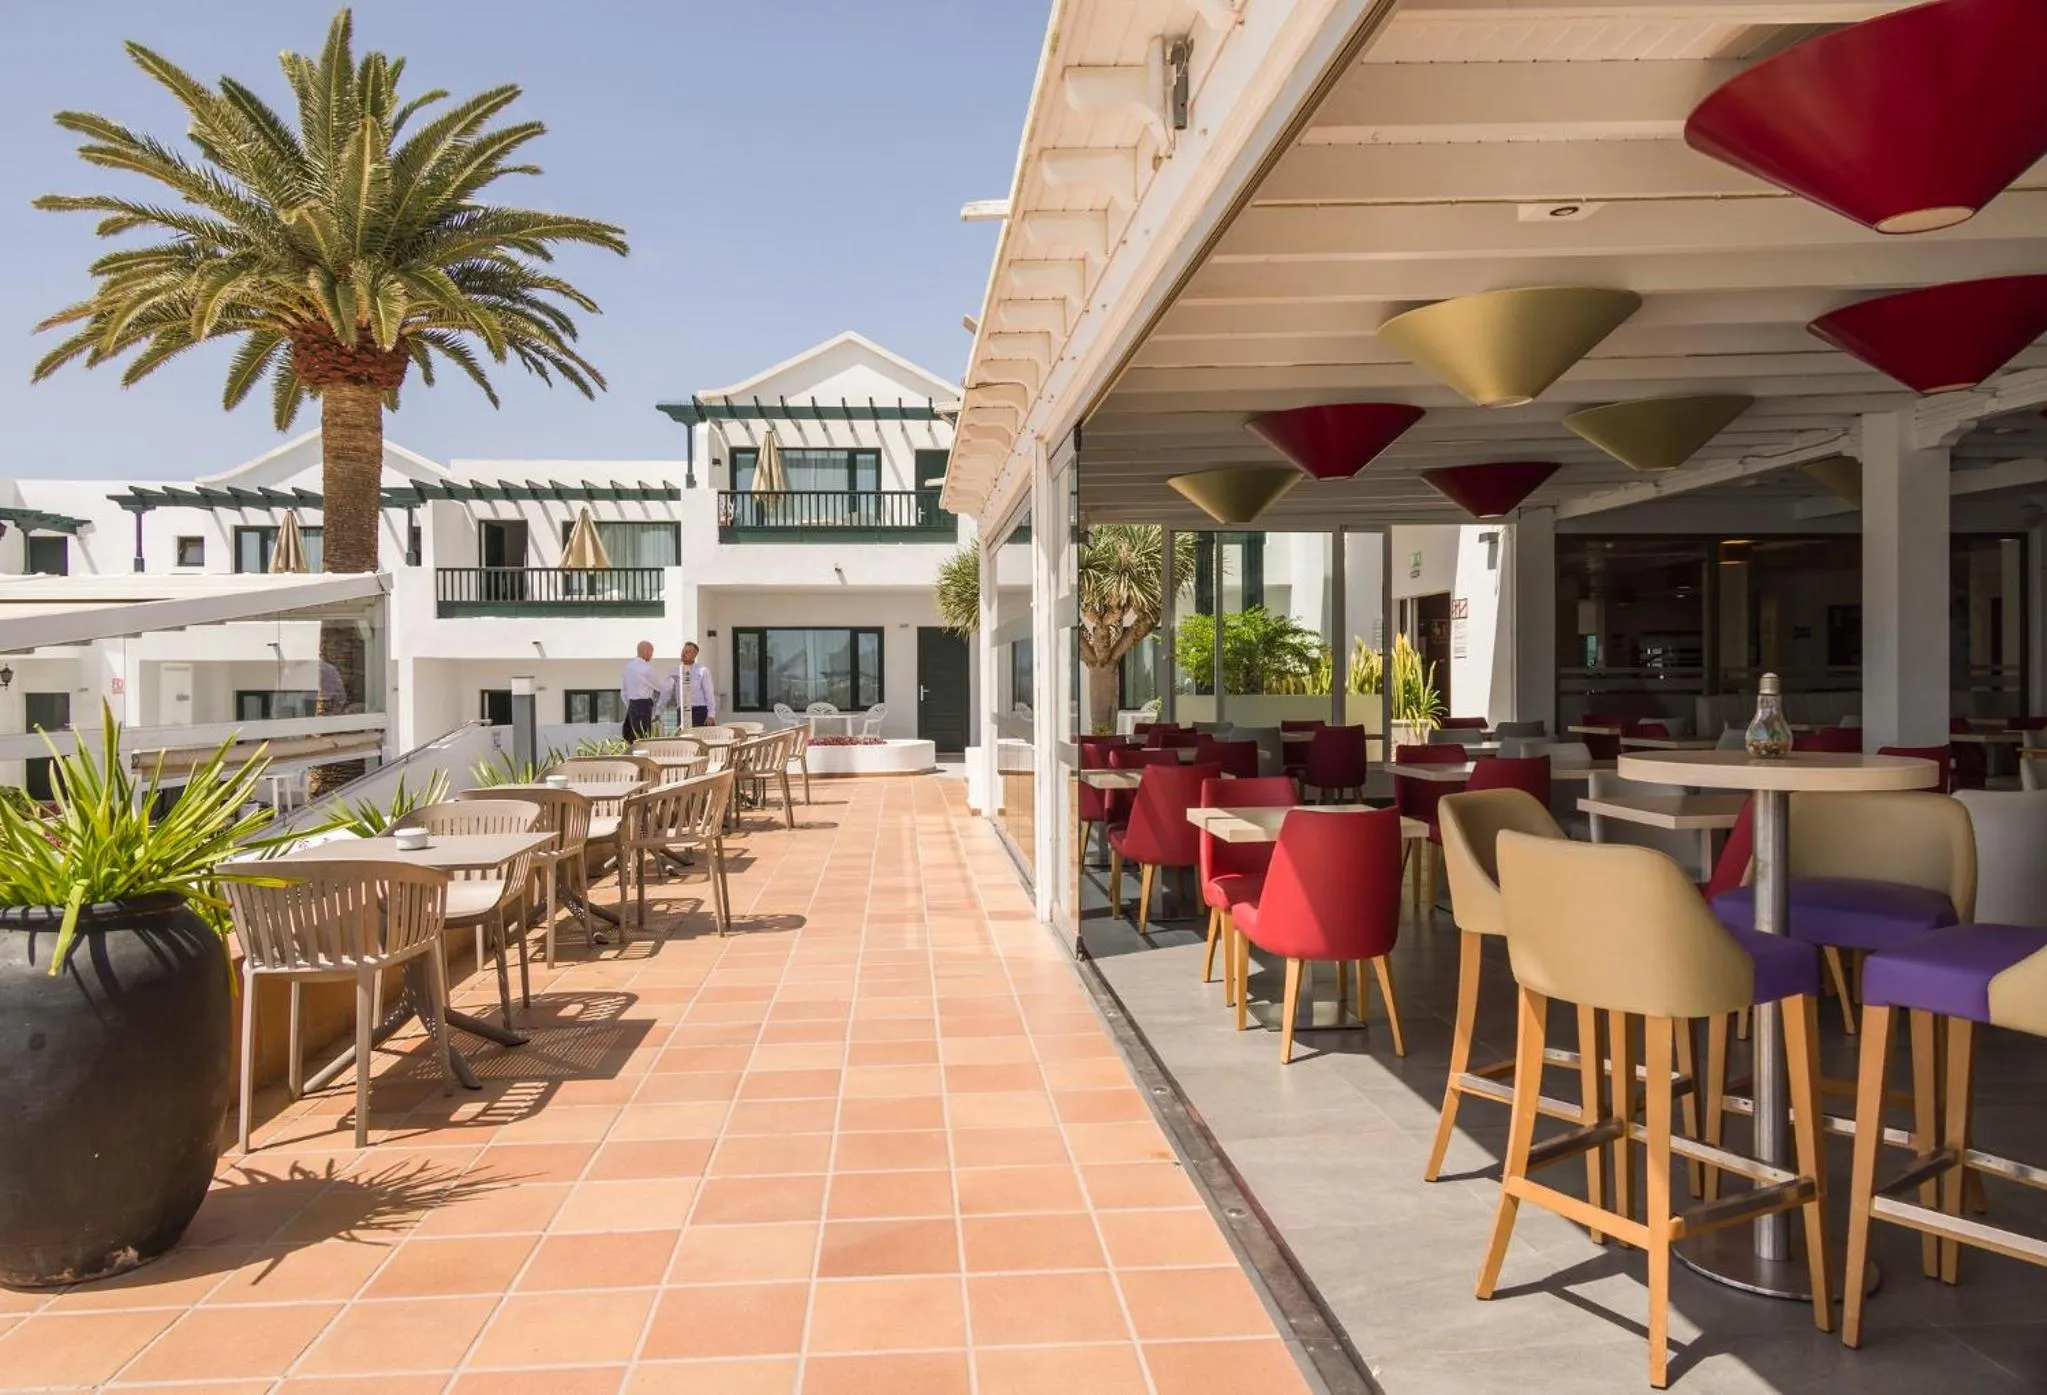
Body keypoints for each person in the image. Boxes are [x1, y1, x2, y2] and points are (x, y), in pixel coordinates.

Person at [621, 639, 664, 742]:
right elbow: (660, 686)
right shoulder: (646, 668)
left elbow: (624, 692)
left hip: (632, 705)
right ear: (646, 651)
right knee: (642, 737)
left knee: (630, 736)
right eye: (651, 652)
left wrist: (630, 705)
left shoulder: (628, 667)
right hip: (643, 705)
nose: (652, 655)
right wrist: (672, 681)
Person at [675, 641, 716, 729]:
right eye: (683, 651)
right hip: (681, 711)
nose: (683, 654)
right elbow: (666, 691)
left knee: (700, 736)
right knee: (683, 737)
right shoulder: (675, 671)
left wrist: (711, 715)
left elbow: (709, 693)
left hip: (699, 711)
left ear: (694, 654)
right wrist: (658, 711)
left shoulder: (702, 671)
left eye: (687, 652)